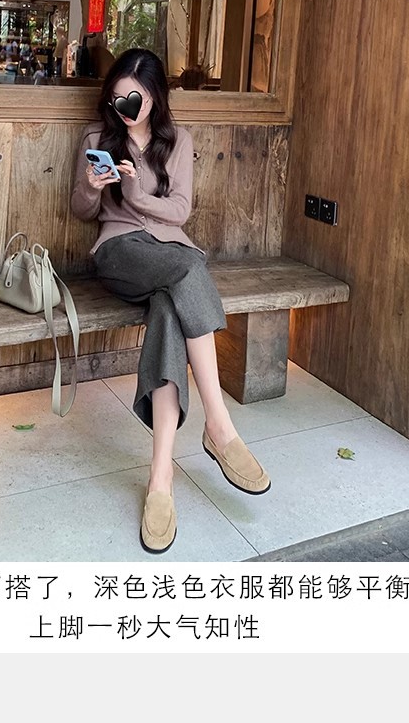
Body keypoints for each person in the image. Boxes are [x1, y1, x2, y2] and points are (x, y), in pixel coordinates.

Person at [71, 47, 270, 554]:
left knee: (167, 311)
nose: (125, 108)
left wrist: (136, 193)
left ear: (156, 97)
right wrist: (93, 188)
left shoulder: (178, 141)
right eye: (117, 98)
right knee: (191, 267)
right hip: (120, 252)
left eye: (134, 98)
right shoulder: (96, 139)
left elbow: (180, 211)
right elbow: (81, 210)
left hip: (169, 257)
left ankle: (161, 479)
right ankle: (219, 425)